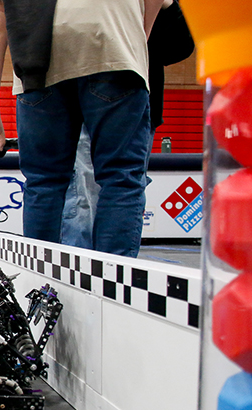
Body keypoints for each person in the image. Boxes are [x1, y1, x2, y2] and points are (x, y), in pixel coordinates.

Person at [0, 0, 165, 258]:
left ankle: (41, 286)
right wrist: (136, 40)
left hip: (37, 58)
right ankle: (110, 288)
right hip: (111, 45)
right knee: (120, 178)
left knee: (44, 182)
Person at [61, 0, 195, 249]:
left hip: (134, 102)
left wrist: (165, 6)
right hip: (90, 96)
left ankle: (107, 275)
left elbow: (179, 47)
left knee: (116, 189)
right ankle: (82, 274)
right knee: (87, 196)